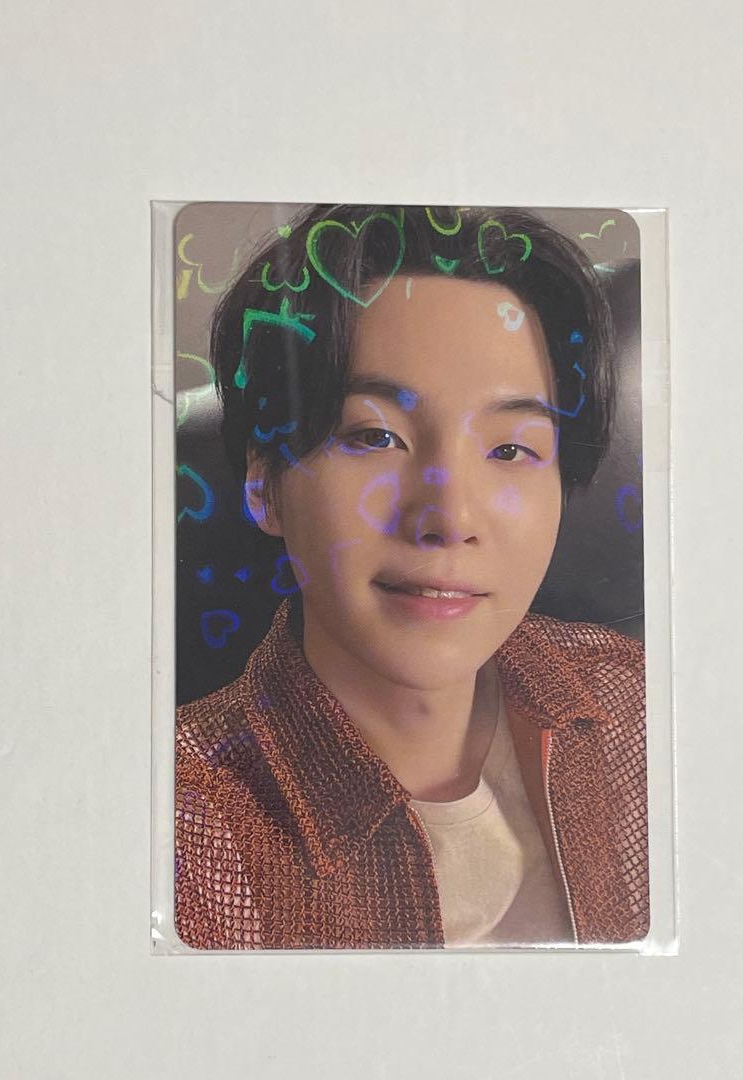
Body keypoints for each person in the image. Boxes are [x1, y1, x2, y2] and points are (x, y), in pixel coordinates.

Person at [173, 204, 648, 949]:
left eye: (510, 450)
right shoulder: (180, 825)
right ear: (263, 485)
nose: (449, 517)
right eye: (374, 436)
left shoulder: (639, 707)